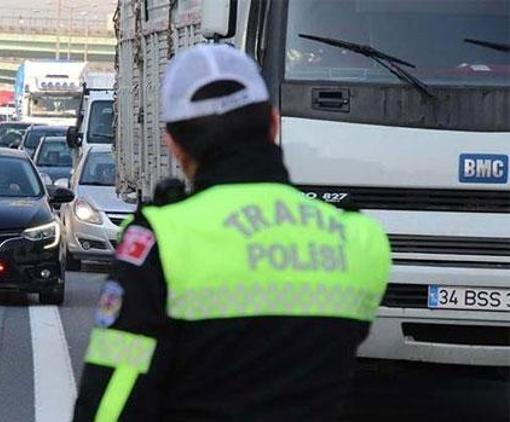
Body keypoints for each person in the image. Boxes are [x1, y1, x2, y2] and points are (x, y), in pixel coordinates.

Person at [74, 44, 391, 421]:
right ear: (273, 124)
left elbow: (113, 399)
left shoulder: (162, 239)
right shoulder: (358, 239)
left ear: (173, 143)